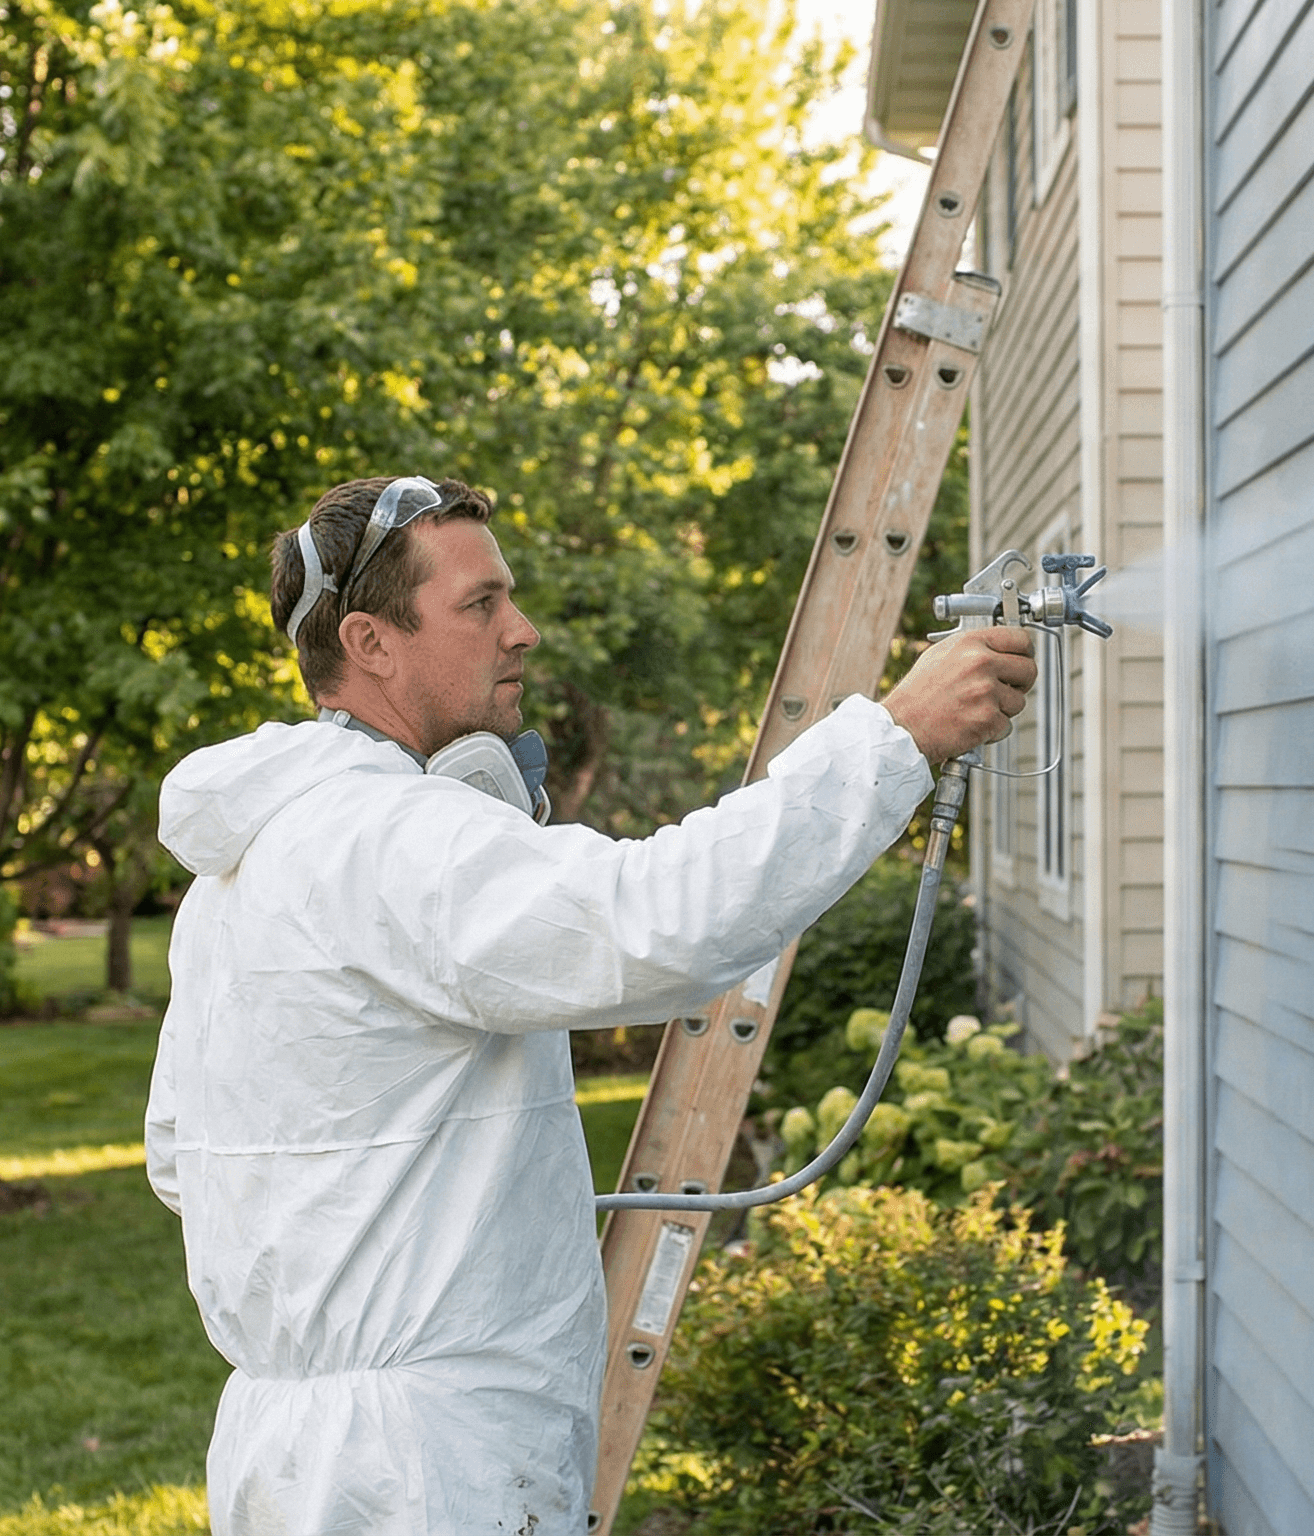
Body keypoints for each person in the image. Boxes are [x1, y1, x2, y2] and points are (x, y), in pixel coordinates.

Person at [146, 475, 1036, 1535]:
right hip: (427, 1469)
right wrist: (895, 737)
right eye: (478, 606)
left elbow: (176, 1158)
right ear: (370, 642)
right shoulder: (393, 839)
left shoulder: (248, 865)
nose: (519, 632)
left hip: (287, 1456)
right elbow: (655, 919)